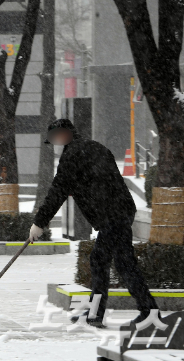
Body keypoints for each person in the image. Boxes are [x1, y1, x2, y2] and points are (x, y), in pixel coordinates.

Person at [29, 119, 158, 328]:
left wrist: (39, 223)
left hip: (112, 215)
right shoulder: (94, 147)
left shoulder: (72, 156)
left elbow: (57, 191)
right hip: (120, 211)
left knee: (109, 262)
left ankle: (130, 312)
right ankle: (121, 312)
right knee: (114, 262)